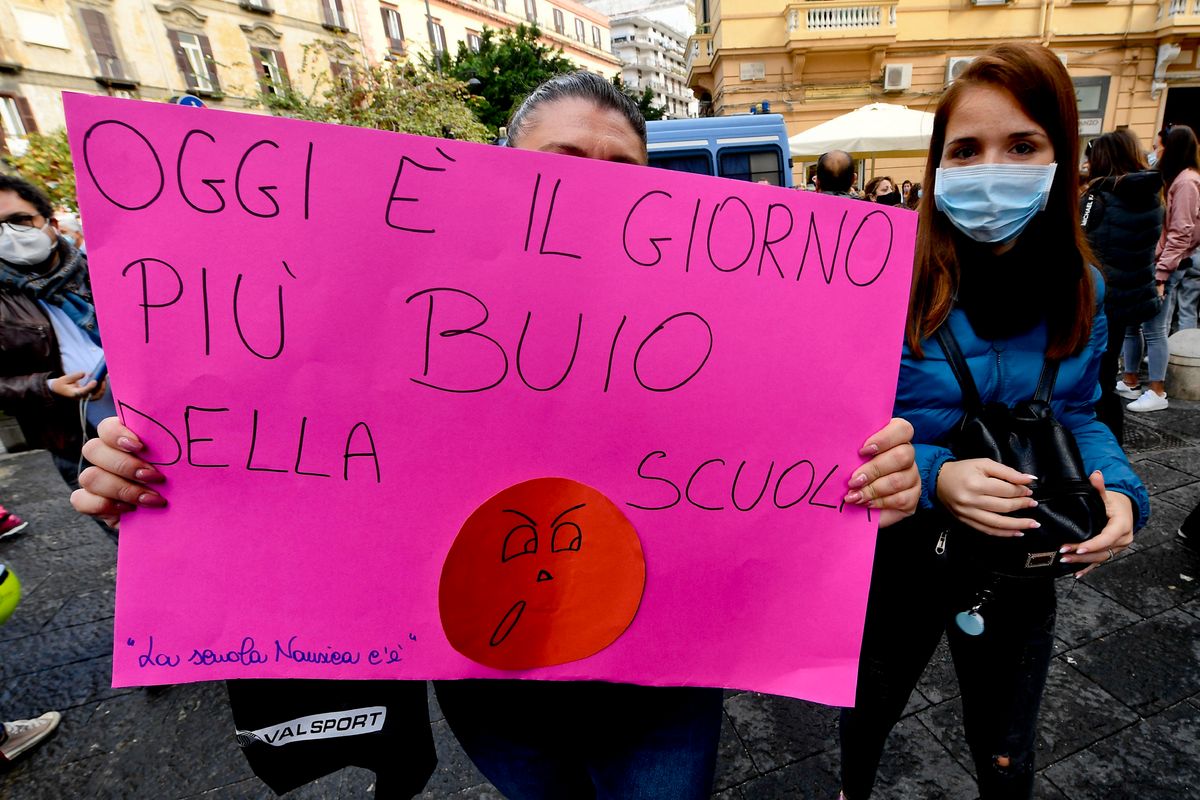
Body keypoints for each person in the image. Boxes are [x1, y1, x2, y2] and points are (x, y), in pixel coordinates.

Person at [70, 71, 922, 800]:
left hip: (661, 692)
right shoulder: (399, 325)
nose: (594, 189)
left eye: (623, 169)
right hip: (493, 689)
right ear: (501, 179)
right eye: (562, 168)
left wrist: (870, 486)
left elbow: (791, 469)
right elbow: (292, 455)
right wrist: (157, 487)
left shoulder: (722, 335)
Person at [838, 43, 1148, 800]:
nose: (990, 170)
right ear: (938, 167)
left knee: (1006, 751)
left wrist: (1125, 494)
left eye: (1021, 146)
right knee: (866, 712)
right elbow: (841, 428)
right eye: (965, 150)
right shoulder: (885, 282)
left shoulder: (1085, 290)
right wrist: (940, 475)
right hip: (898, 555)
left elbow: (1081, 412)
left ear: (1060, 154)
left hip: (1020, 556)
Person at [0, 174, 109, 488]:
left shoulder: (105, 268)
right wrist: (47, 387)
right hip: (75, 439)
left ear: (52, 223)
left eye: (20, 220)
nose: (10, 235)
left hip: (161, 421)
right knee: (126, 528)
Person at [1079, 129, 1163, 438]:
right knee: (1107, 366)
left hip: (1100, 299)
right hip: (1132, 295)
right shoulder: (1150, 193)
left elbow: (1081, 242)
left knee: (1092, 375)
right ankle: (1111, 435)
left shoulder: (1098, 196)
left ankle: (1099, 436)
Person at [1155, 125, 1200, 341]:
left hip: (1173, 261)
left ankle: (1167, 370)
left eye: (1159, 147)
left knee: (1158, 328)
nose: (1156, 152)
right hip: (1174, 259)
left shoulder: (1186, 182)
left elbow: (1181, 230)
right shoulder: (1184, 179)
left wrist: (1162, 272)